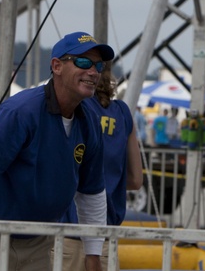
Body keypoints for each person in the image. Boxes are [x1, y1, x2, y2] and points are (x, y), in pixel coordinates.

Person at [0, 31, 114, 271]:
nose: (93, 71)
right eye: (83, 62)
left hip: (37, 240)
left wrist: (93, 254)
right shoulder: (22, 111)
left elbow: (91, 194)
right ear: (56, 66)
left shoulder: (89, 120)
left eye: (98, 65)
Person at [58, 61, 143, 271]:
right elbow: (135, 180)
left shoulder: (76, 108)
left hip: (66, 229)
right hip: (105, 234)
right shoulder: (123, 113)